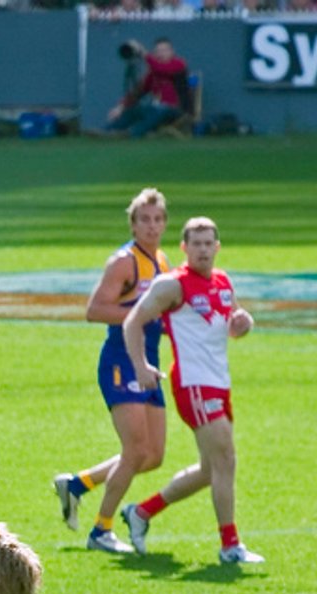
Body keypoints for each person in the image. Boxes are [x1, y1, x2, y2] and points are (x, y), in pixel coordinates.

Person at [120, 217, 263, 565]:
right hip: (193, 384)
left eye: (208, 243)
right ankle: (230, 545)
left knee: (210, 470)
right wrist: (140, 366)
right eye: (196, 243)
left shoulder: (223, 281)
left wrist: (242, 324)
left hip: (219, 381)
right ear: (184, 248)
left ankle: (141, 512)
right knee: (226, 458)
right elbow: (133, 321)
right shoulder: (172, 286)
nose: (203, 249)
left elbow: (232, 322)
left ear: (217, 246)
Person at [52, 187, 172, 554]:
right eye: (144, 220)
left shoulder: (163, 262)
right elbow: (95, 310)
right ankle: (101, 530)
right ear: (133, 225)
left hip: (149, 362)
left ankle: (77, 484)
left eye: (158, 219)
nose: (152, 227)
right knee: (135, 449)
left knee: (153, 456)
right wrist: (141, 316)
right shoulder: (124, 262)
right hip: (122, 362)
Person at [105, 37, 189, 138]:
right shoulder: (152, 73)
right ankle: (106, 132)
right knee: (134, 111)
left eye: (164, 50)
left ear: (172, 51)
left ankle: (131, 134)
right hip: (155, 108)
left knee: (160, 110)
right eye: (158, 51)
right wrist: (120, 107)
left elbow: (161, 69)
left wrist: (143, 52)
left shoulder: (179, 64)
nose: (161, 53)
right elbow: (138, 91)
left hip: (176, 109)